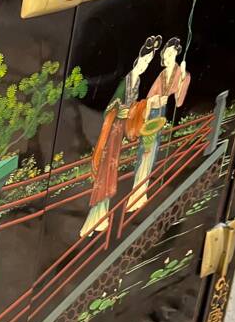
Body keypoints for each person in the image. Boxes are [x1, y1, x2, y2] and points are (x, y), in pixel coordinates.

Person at [79, 35, 160, 238]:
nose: (145, 64)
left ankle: (101, 216)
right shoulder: (127, 81)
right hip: (111, 132)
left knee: (111, 172)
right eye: (144, 60)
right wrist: (122, 111)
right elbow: (110, 108)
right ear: (137, 61)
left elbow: (131, 109)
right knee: (105, 171)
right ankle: (94, 218)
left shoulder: (138, 80)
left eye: (148, 61)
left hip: (119, 134)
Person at [127, 36, 191, 214]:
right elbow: (148, 97)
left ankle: (141, 193)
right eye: (166, 53)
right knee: (144, 152)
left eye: (171, 53)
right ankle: (136, 193)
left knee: (151, 152)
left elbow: (179, 102)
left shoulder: (181, 74)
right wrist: (154, 100)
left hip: (162, 115)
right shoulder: (162, 75)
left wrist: (182, 79)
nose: (167, 56)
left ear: (176, 54)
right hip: (151, 114)